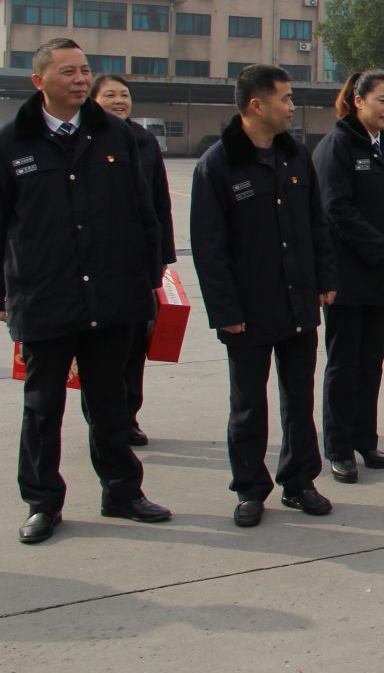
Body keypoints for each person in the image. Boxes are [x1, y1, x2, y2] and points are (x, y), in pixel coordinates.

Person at [3, 38, 171, 544]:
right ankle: (42, 503)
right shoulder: (12, 144)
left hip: (112, 296)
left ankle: (122, 492)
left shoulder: (116, 136)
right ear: (39, 82)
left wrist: (147, 280)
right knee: (42, 408)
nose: (79, 79)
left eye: (84, 70)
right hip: (45, 298)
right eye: (67, 72)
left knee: (110, 403)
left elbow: (144, 212)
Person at [191, 65, 338, 528]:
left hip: (298, 301)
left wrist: (324, 279)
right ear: (257, 105)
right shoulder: (217, 165)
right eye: (285, 98)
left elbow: (316, 223)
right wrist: (225, 311)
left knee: (299, 398)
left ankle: (299, 481)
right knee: (248, 405)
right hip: (247, 309)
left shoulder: (295, 156)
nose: (292, 107)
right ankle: (250, 489)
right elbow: (208, 247)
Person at [312, 70, 384, 484]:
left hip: (380, 275)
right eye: (382, 100)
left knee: (372, 361)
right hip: (346, 274)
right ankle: (338, 447)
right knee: (344, 364)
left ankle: (364, 440)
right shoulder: (337, 145)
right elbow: (336, 209)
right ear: (358, 101)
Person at [84, 73, 176, 447]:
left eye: (124, 94)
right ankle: (102, 422)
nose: (120, 100)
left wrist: (163, 257)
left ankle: (128, 417)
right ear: (93, 101)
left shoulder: (144, 141)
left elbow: (160, 201)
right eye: (110, 95)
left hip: (137, 262)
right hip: (95, 262)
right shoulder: (84, 140)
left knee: (135, 344)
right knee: (98, 349)